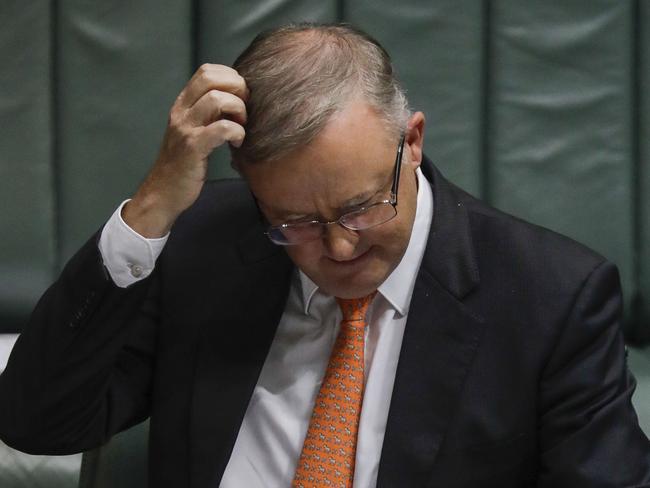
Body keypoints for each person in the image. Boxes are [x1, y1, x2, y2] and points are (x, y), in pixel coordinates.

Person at [0, 22, 649, 488]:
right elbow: (39, 424)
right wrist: (150, 211)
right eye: (296, 222)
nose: (339, 246)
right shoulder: (204, 241)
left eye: (363, 206)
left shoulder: (551, 294)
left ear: (412, 141)